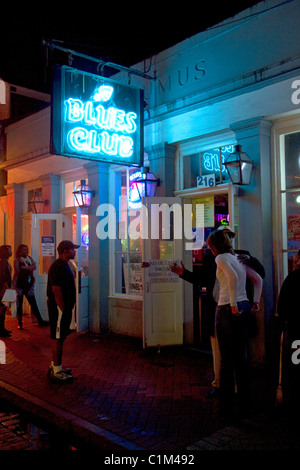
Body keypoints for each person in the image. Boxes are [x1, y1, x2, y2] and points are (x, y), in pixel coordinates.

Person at [170, 226, 265, 399]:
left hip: (231, 308)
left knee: (234, 353)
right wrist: (183, 273)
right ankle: (221, 385)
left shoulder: (239, 255)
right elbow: (202, 280)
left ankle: (233, 388)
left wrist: (251, 259)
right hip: (218, 306)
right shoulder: (212, 258)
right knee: (221, 352)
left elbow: (260, 273)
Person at [206, 229, 262, 419]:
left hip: (226, 309)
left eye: (210, 246)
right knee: (241, 358)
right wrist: (256, 301)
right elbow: (258, 279)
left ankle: (226, 406)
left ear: (216, 245)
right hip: (245, 305)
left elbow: (232, 277)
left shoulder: (221, 258)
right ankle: (246, 404)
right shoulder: (238, 258)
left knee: (226, 360)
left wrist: (232, 305)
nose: (209, 250)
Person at [47, 240, 79, 383]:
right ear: (65, 251)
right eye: (73, 249)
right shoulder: (57, 267)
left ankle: (56, 365)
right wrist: (63, 309)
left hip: (62, 308)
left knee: (60, 336)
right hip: (59, 309)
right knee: (57, 337)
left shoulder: (64, 265)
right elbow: (56, 290)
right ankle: (56, 370)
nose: (74, 252)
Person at [277, 250, 300, 412]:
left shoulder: (293, 278)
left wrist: (282, 321)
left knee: (296, 363)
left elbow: (282, 306)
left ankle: (294, 398)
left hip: (296, 330)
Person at [13, 244, 48, 329]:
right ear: (20, 251)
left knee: (33, 303)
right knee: (19, 304)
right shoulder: (17, 260)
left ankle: (40, 320)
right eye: (24, 249)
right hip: (20, 284)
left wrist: (24, 267)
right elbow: (17, 270)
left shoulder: (29, 258)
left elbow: (34, 267)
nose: (26, 251)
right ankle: (20, 323)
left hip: (29, 284)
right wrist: (29, 267)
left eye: (27, 249)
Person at [0, 245, 13, 337]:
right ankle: (1, 330)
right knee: (2, 308)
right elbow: (2, 274)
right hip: (3, 288)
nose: (11, 252)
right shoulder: (4, 262)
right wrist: (6, 286)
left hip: (4, 287)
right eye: (9, 250)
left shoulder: (5, 261)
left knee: (3, 308)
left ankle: (2, 328)